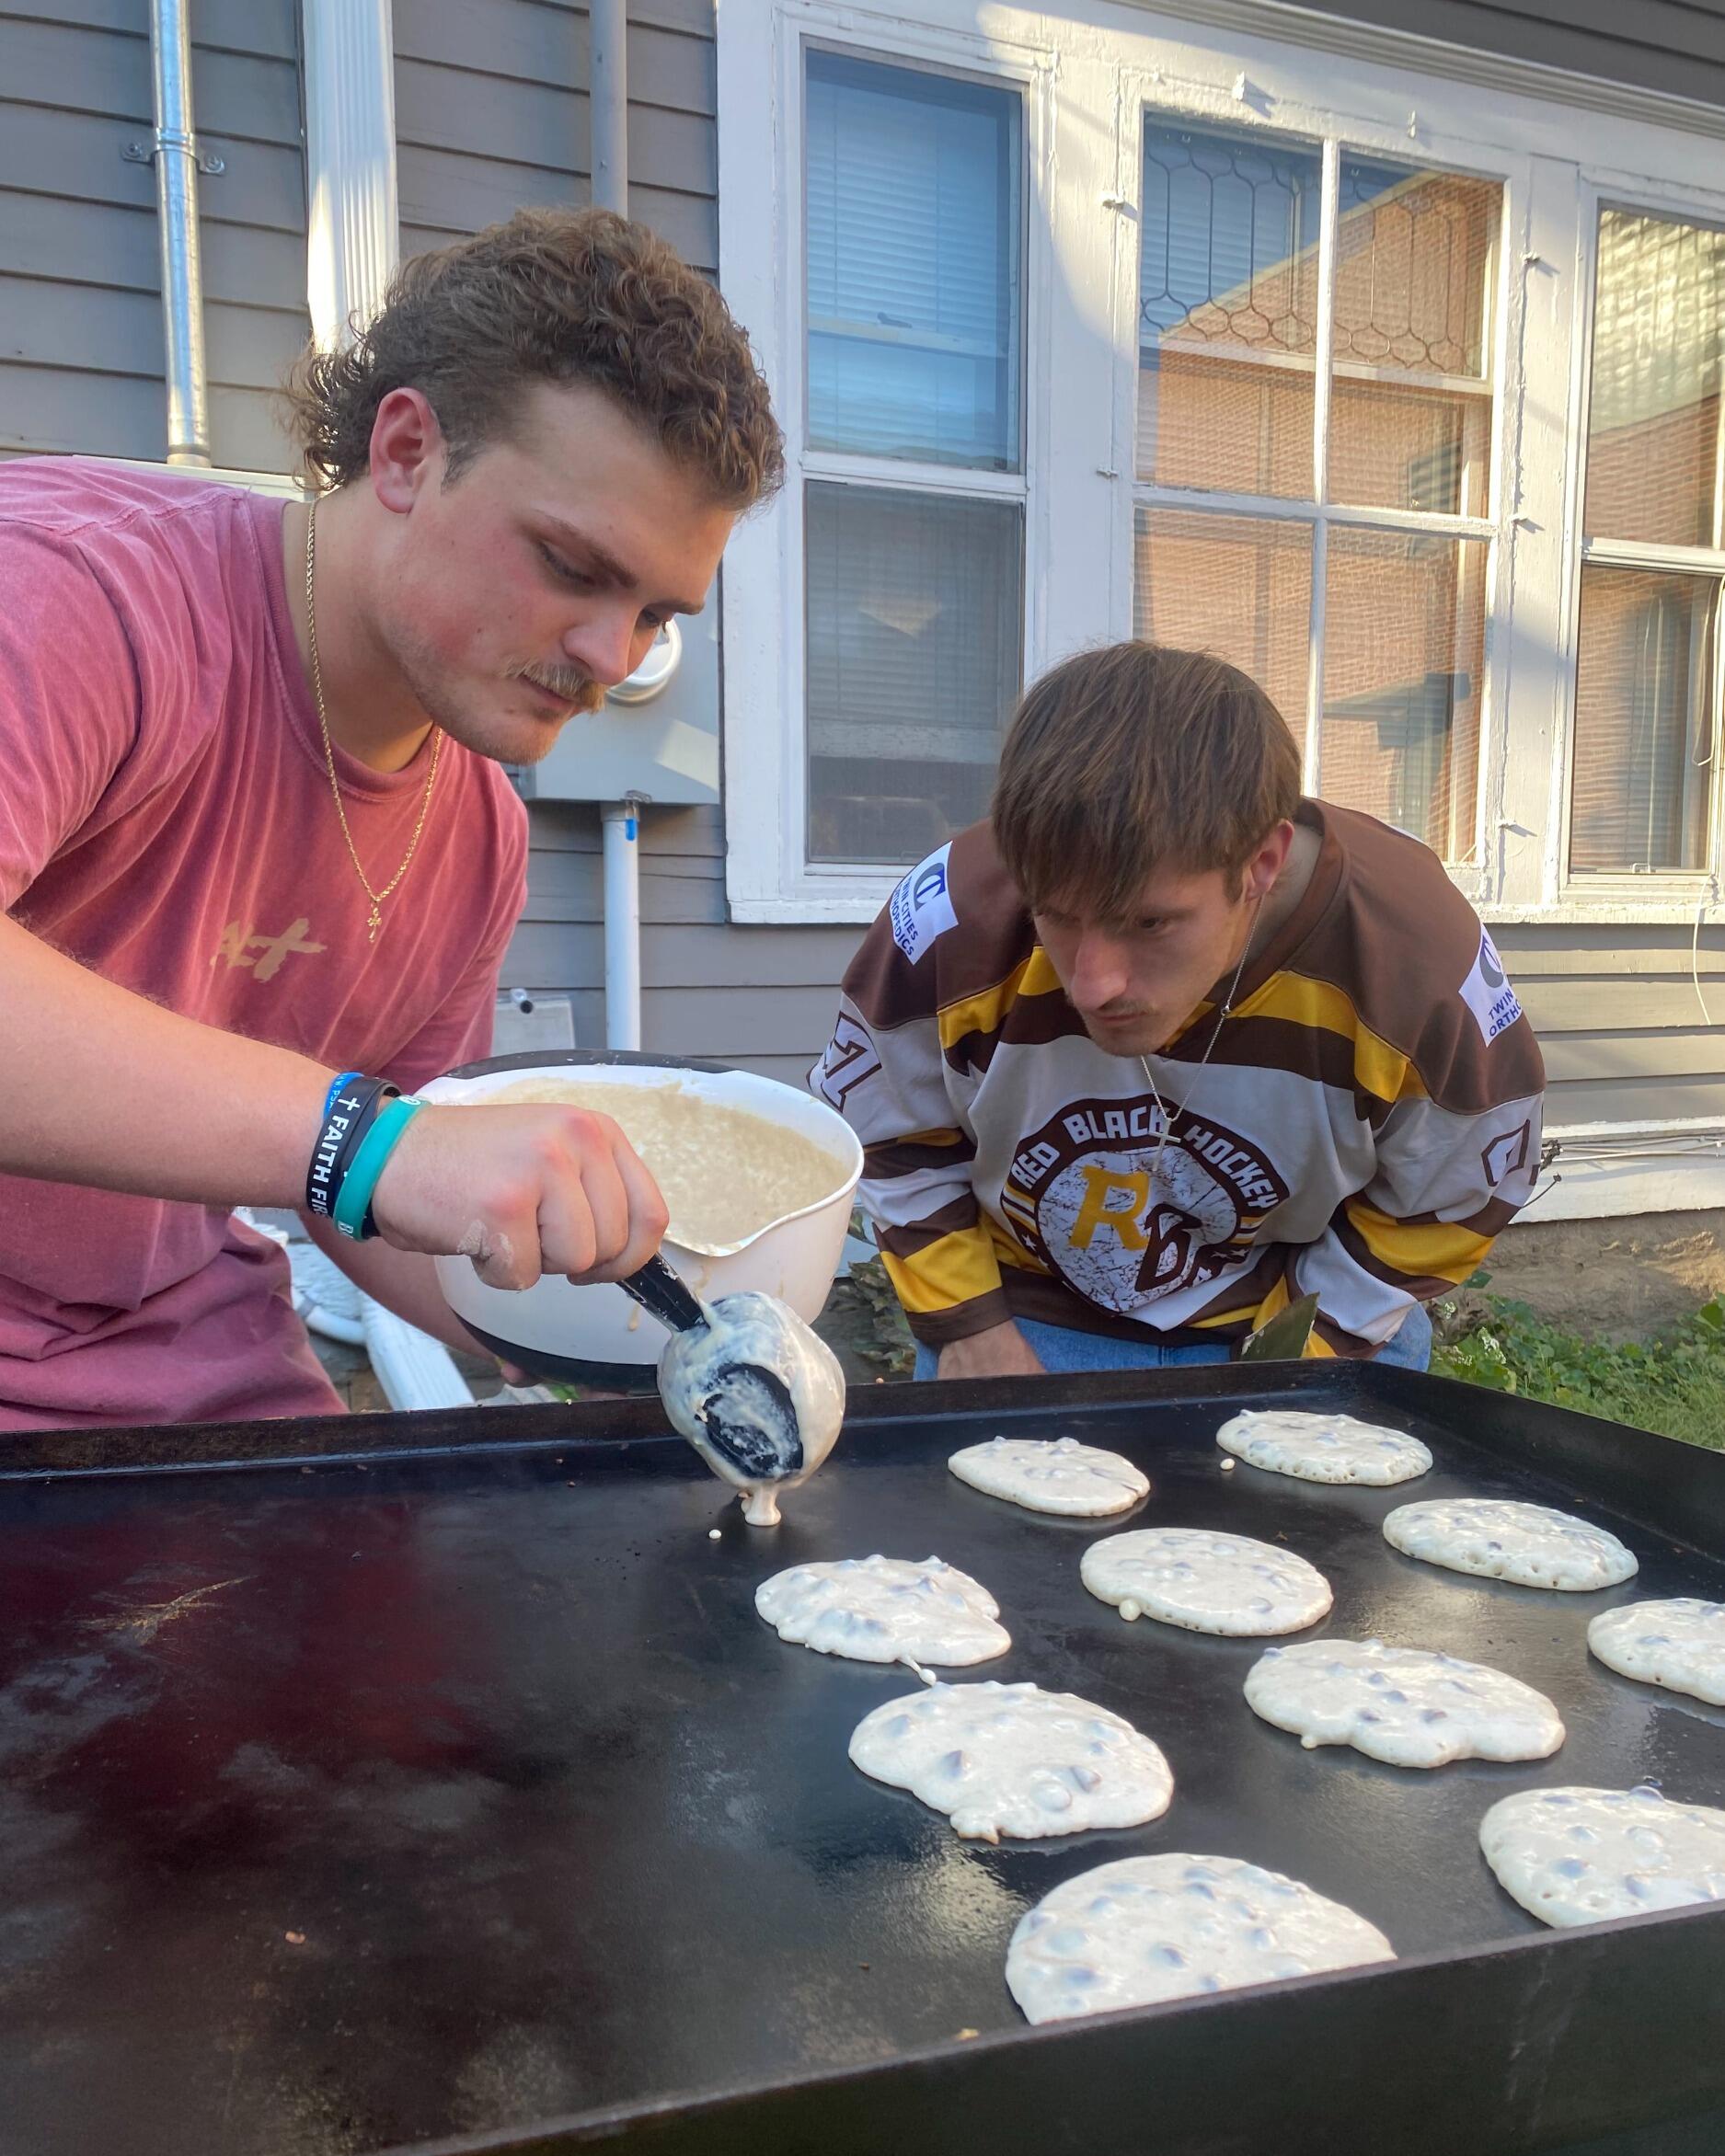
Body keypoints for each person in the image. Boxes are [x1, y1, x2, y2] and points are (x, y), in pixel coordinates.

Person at [0, 207, 782, 1429]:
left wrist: (598, 1327)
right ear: (408, 451)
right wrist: (376, 1147)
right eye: (573, 567)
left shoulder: (480, 836)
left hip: (174, 1352)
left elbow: (376, 1196)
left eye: (654, 614)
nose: (611, 656)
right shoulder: (70, 592)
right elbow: (372, 1155)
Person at [814, 643, 1545, 1378]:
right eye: (1055, 916)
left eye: (1149, 923)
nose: (1090, 986)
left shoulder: (1417, 959)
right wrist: (969, 1325)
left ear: (1261, 864)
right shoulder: (952, 916)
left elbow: (1450, 1196)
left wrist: (1297, 1350)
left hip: (1311, 1297)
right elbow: (886, 1132)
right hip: (1024, 1311)